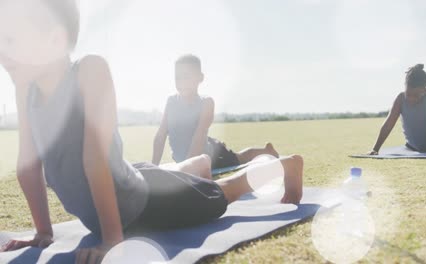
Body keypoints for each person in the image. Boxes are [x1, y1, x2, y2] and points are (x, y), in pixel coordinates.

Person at [0, 1, 304, 263]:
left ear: (54, 39)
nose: (3, 51)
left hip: (146, 204)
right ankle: (196, 166)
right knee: (161, 175)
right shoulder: (26, 90)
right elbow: (28, 166)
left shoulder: (89, 71)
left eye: (11, 40)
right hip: (132, 179)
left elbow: (95, 160)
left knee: (224, 192)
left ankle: (285, 165)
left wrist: (113, 241)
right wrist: (43, 232)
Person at [152, 54, 279, 170]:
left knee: (239, 158)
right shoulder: (171, 102)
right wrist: (153, 166)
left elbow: (199, 136)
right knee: (236, 156)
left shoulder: (206, 102)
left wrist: (187, 167)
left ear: (200, 78)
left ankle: (267, 151)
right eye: (178, 77)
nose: (182, 82)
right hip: (187, 158)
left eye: (186, 76)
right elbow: (160, 135)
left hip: (212, 156)